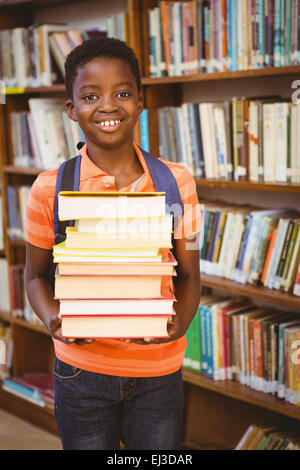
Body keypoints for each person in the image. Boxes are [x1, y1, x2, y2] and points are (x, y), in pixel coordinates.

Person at [25, 37, 201, 450]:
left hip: (159, 372)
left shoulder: (177, 184)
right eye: (90, 96)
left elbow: (191, 274)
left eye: (122, 93)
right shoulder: (49, 189)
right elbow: (35, 277)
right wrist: (53, 318)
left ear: (140, 101)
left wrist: (182, 321)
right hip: (81, 372)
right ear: (71, 109)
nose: (108, 106)